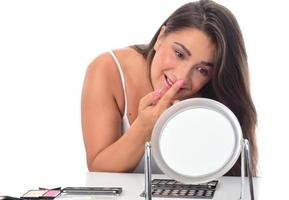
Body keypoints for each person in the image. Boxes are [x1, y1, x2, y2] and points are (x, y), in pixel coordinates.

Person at [81, 0, 258, 176]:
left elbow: (231, 181)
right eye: (179, 54)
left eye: (202, 70)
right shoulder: (108, 69)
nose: (181, 77)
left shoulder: (213, 99)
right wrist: (144, 127)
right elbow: (98, 167)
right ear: (160, 37)